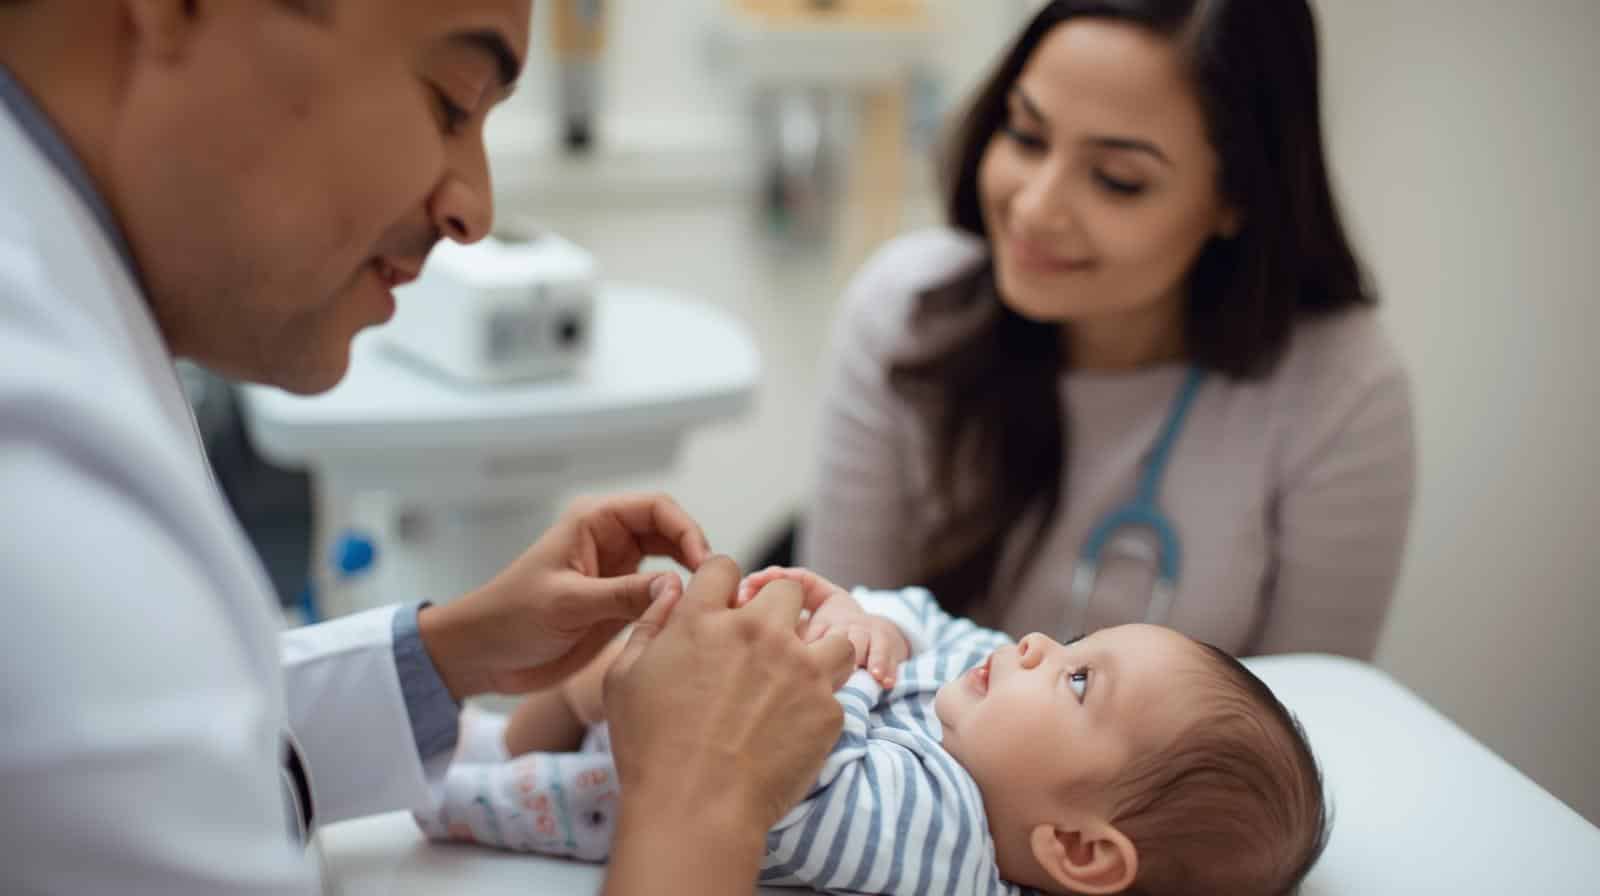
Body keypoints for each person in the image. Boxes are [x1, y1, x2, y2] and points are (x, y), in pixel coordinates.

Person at [0, 2, 855, 894]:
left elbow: (169, 741)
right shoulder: (34, 468)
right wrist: (699, 794)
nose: (472, 211)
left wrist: (449, 655)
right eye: (452, 102)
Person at [801, 0, 1415, 659]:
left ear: (1238, 197)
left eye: (1117, 180)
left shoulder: (1339, 389)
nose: (1035, 208)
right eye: (1026, 136)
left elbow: (1312, 719)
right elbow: (834, 656)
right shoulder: (905, 310)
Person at [413, 566, 1328, 896]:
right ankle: (519, 728)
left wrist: (846, 658)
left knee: (479, 800)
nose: (1043, 645)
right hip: (681, 731)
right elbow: (937, 619)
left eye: (1080, 678)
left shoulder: (946, 841)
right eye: (1078, 642)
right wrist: (877, 620)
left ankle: (442, 790)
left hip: (633, 803)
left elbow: (794, 791)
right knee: (583, 690)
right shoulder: (993, 711)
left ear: (1079, 854)